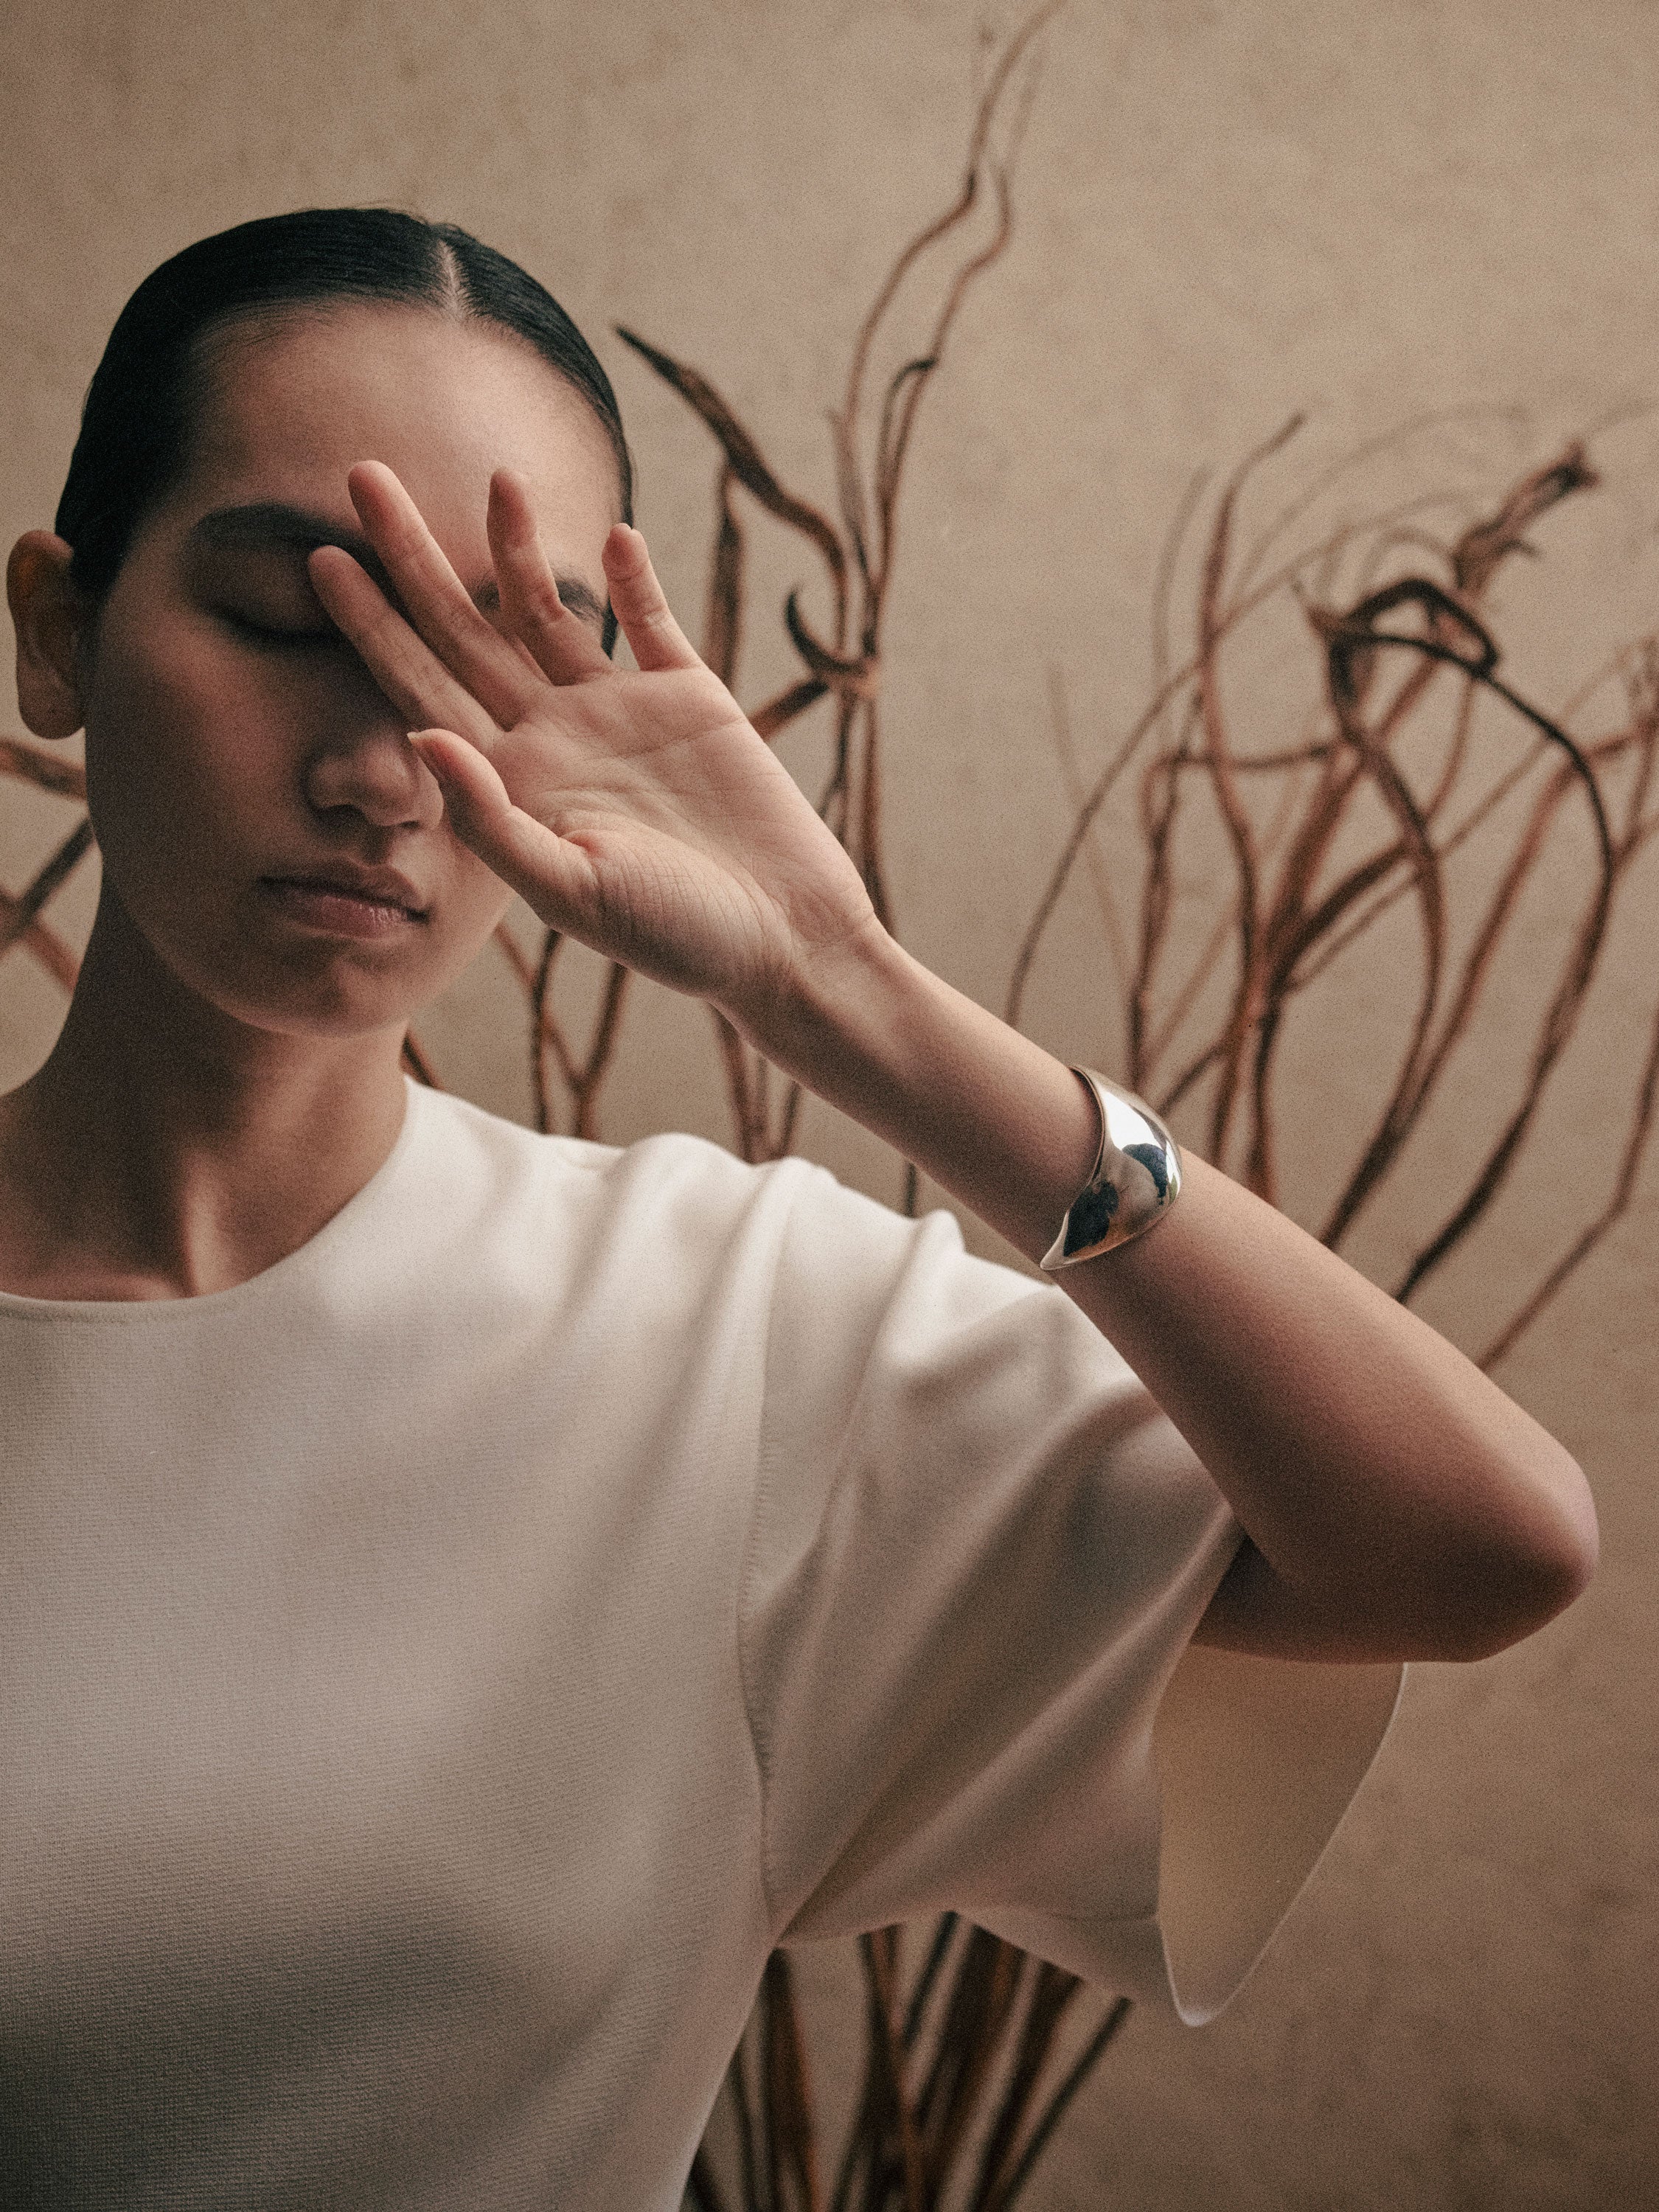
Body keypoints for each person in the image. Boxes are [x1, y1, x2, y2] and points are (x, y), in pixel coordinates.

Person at [0, 209, 1596, 2209]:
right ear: (59, 629)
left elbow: (1479, 1548)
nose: (386, 769)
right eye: (289, 621)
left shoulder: (719, 1336)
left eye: (495, 654)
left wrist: (839, 985)